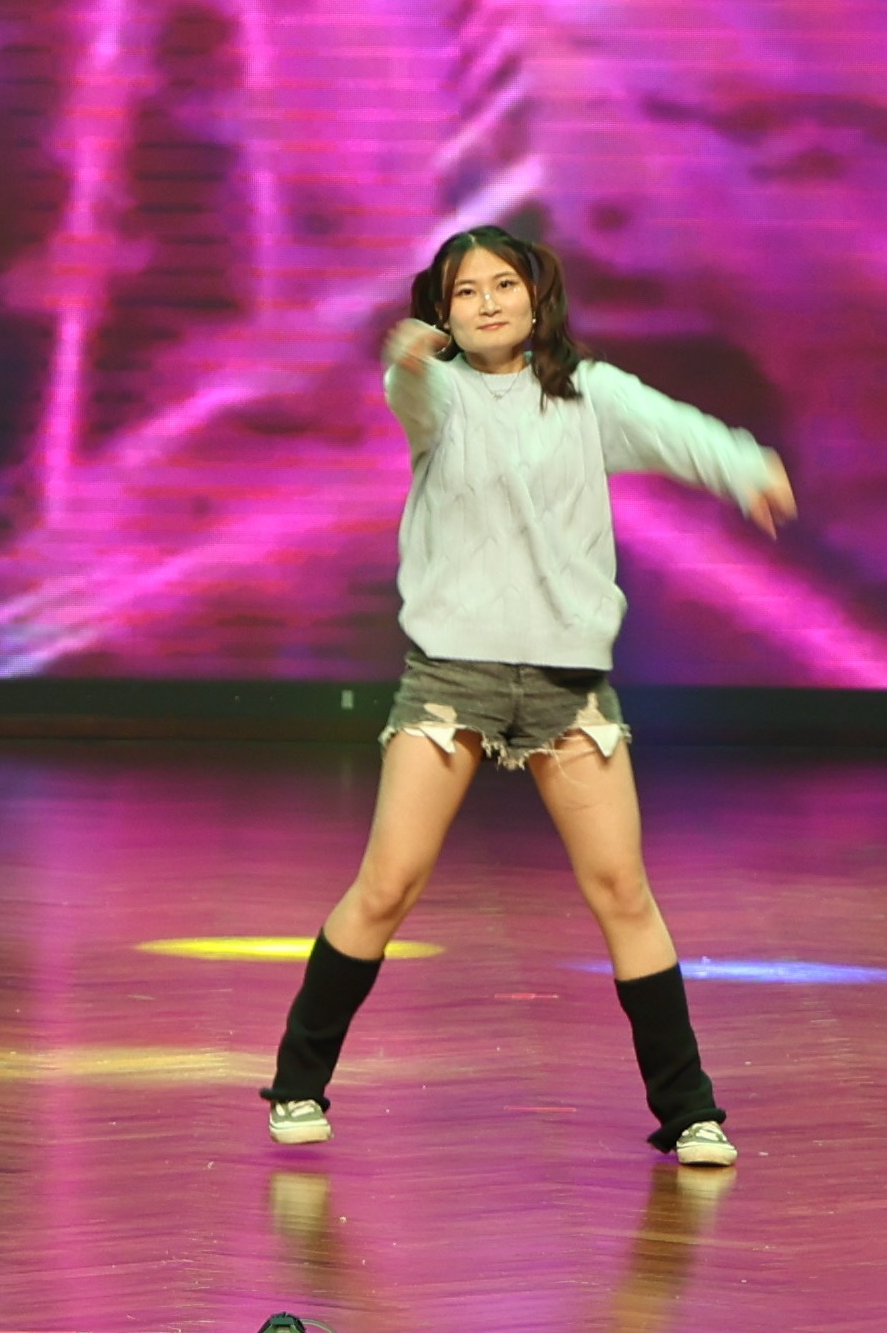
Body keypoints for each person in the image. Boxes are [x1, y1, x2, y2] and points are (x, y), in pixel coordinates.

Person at [259, 225, 798, 1166]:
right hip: (451, 679)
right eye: (466, 292)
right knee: (389, 883)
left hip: (568, 685)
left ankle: (690, 1111)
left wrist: (746, 466)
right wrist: (408, 357)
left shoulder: (591, 393)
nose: (489, 304)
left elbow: (680, 431)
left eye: (504, 285)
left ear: (537, 297)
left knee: (622, 890)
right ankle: (298, 1083)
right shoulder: (440, 396)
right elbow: (410, 390)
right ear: (444, 311)